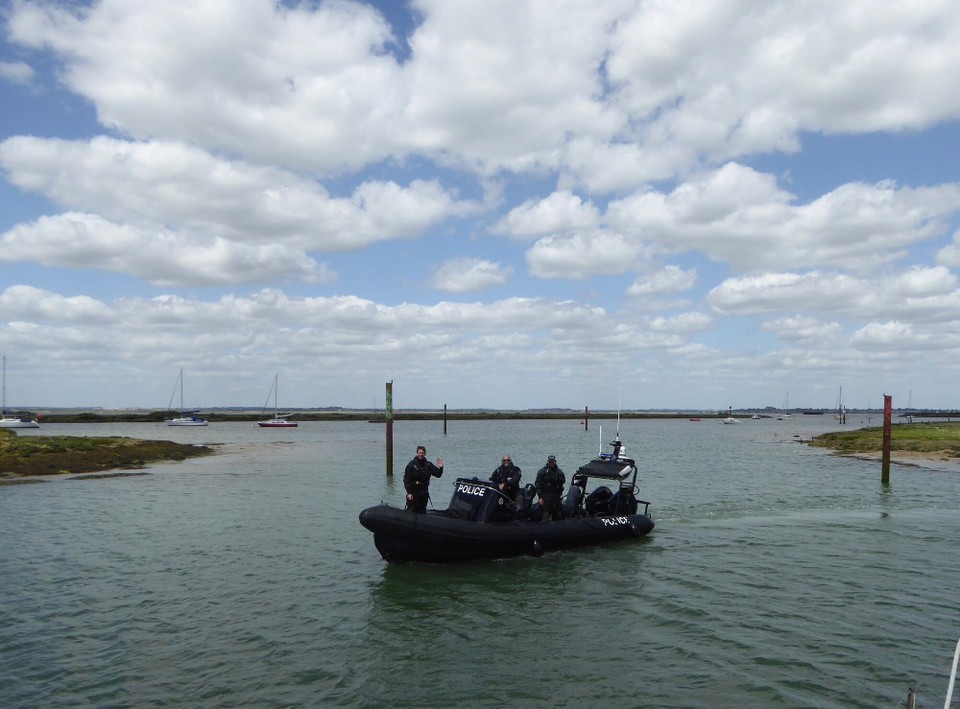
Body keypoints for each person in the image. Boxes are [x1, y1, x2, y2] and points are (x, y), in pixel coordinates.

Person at [403, 445, 444, 513]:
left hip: (423, 494)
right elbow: (406, 480)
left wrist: (441, 468)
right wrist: (409, 493)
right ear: (417, 453)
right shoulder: (411, 465)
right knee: (412, 511)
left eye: (422, 453)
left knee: (422, 511)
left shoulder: (428, 465)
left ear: (425, 454)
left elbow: (438, 474)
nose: (421, 454)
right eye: (419, 453)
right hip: (413, 493)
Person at [535, 454, 565, 521]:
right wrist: (540, 497)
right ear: (548, 462)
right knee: (546, 515)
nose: (551, 463)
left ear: (555, 461)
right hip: (546, 496)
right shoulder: (542, 471)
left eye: (553, 461)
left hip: (556, 497)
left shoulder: (559, 472)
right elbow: (537, 485)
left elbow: (562, 483)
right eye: (550, 461)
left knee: (559, 515)